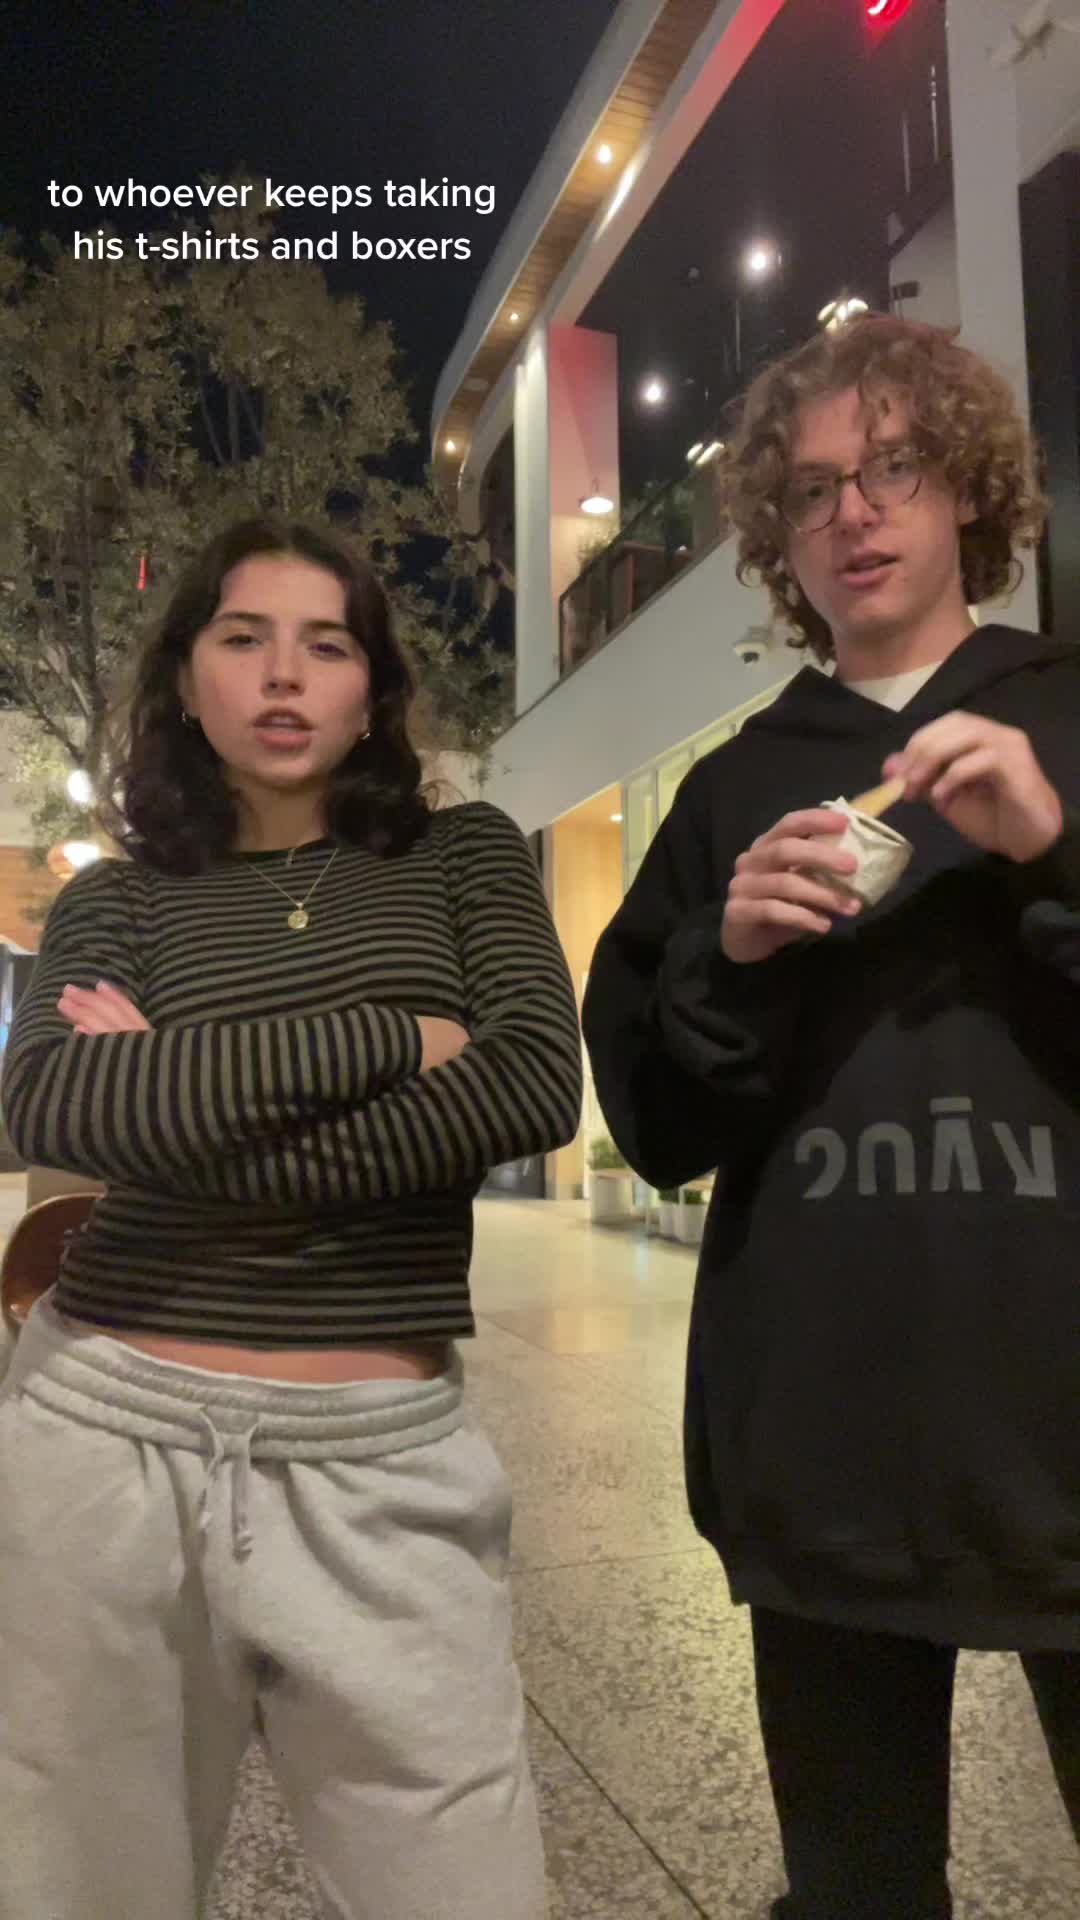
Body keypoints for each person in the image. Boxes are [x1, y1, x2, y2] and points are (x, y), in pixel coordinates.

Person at [0, 515, 581, 1920]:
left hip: (386, 1463)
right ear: (185, 677)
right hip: (103, 1437)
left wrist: (177, 1094)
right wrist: (397, 1038)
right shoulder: (120, 897)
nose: (283, 674)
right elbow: (53, 1106)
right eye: (243, 637)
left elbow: (530, 1084)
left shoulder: (463, 856)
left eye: (326, 646)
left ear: (372, 691)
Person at [582, 315, 1080, 1919]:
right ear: (779, 536)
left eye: (896, 469)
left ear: (969, 492)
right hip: (824, 1432)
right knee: (858, 1887)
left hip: (1066, 1407)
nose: (854, 512)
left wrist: (1054, 851)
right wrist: (727, 955)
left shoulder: (1065, 714)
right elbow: (657, 1121)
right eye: (812, 490)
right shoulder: (739, 786)